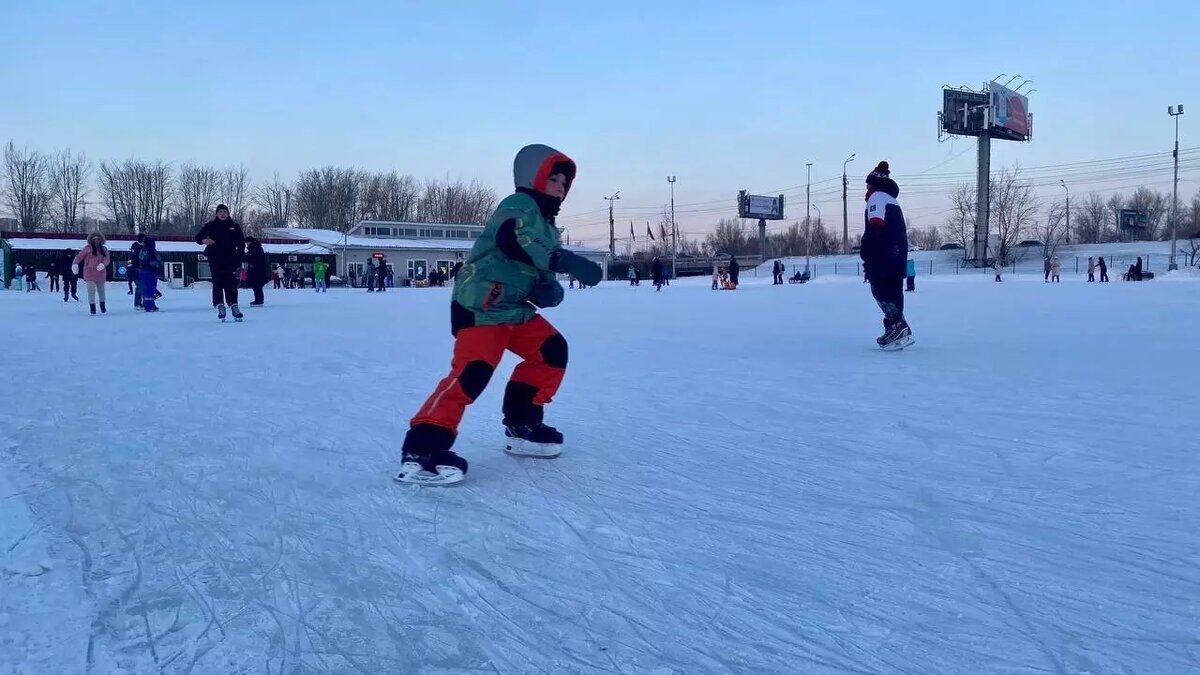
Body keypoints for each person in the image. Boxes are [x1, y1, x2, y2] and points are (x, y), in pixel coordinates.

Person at [396, 144, 603, 485]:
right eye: (553, 178)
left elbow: (539, 268)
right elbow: (515, 238)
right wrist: (560, 260)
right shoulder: (518, 205)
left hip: (513, 310)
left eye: (565, 181)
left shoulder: (549, 226)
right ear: (533, 177)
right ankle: (422, 450)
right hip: (481, 304)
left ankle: (522, 423)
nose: (560, 186)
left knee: (551, 352)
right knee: (472, 373)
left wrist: (549, 287)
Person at [860, 161, 912, 350]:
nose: (866, 189)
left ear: (872, 183)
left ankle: (898, 325)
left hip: (884, 252)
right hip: (898, 253)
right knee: (894, 289)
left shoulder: (877, 197)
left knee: (880, 289)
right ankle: (895, 328)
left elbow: (875, 224)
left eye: (867, 184)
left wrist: (866, 249)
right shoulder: (892, 199)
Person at [195, 204, 245, 321]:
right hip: (215, 258)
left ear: (228, 213)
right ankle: (220, 305)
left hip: (230, 259)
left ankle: (233, 305)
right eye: (220, 212)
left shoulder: (234, 226)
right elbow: (197, 238)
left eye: (225, 212)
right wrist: (204, 240)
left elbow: (241, 243)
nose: (223, 214)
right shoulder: (211, 226)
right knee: (217, 282)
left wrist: (239, 257)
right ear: (217, 214)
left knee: (231, 282)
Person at [72, 232, 111, 315]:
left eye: (98, 239)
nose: (96, 240)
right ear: (91, 240)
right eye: (94, 239)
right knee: (91, 291)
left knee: (101, 290)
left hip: (100, 273)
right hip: (89, 272)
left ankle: (102, 305)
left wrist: (103, 264)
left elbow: (107, 259)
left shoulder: (104, 249)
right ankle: (92, 307)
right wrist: (75, 264)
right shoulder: (87, 248)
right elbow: (79, 257)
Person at [138, 236, 162, 311]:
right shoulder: (151, 250)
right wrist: (157, 266)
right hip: (150, 271)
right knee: (150, 288)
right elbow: (154, 261)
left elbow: (141, 259)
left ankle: (148, 304)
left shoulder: (143, 250)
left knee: (147, 288)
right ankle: (149, 305)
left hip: (142, 270)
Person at [244, 237, 269, 305]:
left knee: (256, 285)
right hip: (258, 270)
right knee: (257, 286)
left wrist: (251, 263)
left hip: (256, 270)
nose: (246, 244)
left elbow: (253, 258)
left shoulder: (254, 248)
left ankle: (258, 300)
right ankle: (259, 299)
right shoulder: (257, 248)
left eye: (247, 242)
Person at [130, 231, 145, 308]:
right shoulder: (136, 247)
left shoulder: (143, 247)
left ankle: (141, 302)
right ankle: (138, 303)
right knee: (140, 286)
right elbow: (131, 259)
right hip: (136, 270)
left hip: (140, 270)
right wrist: (130, 268)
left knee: (142, 286)